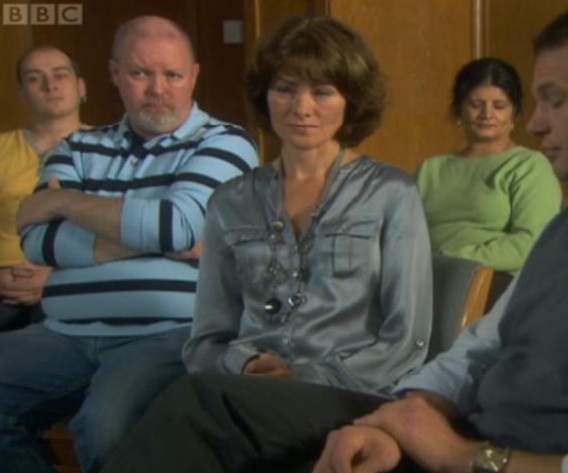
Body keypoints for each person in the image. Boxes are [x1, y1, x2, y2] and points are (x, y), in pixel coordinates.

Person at [83, 2, 568, 473]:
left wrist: (465, 458)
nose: (532, 122)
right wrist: (397, 423)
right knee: (212, 412)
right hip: (462, 443)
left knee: (269, 472)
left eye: (554, 100)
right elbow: (476, 353)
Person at [0, 16, 258, 473]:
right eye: (140, 74)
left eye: (172, 75)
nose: (158, 89)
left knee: (105, 428)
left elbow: (175, 225)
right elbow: (39, 242)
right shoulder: (78, 145)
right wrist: (159, 231)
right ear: (115, 74)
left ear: (193, 76)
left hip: (167, 332)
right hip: (62, 333)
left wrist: (63, 203)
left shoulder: (224, 142)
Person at [183, 15, 432, 391]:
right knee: (170, 412)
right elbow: (204, 344)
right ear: (265, 97)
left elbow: (405, 341)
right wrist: (244, 364)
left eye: (322, 92)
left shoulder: (391, 193)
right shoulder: (229, 201)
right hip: (246, 391)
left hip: (346, 394)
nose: (301, 107)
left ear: (351, 101)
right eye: (285, 88)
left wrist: (306, 377)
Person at [416, 58, 561, 273]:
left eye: (499, 106)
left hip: (496, 285)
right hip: (425, 281)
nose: (487, 114)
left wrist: (452, 261)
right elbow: (405, 236)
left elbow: (531, 243)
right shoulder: (430, 169)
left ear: (514, 112)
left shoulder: (528, 166)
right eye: (476, 105)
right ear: (459, 110)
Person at [0, 46, 87, 334]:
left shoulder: (110, 152)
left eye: (60, 75)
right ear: (22, 95)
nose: (50, 85)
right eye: (35, 78)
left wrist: (56, 276)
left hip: (77, 284)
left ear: (81, 87)